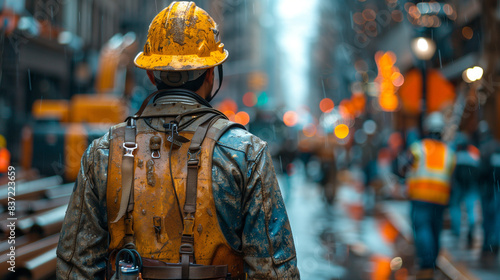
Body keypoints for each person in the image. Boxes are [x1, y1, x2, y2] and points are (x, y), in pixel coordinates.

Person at [56, 2, 299, 279]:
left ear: (150, 74)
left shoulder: (102, 153)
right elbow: (275, 272)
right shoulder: (246, 154)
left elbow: (75, 268)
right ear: (211, 73)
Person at [400, 112, 456, 280]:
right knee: (435, 230)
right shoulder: (449, 153)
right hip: (440, 199)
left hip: (420, 197)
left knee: (423, 229)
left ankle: (426, 264)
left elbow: (405, 167)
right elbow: (451, 176)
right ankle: (432, 261)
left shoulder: (419, 148)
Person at [449, 132, 480, 248]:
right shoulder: (473, 155)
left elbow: (451, 174)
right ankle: (472, 226)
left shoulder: (454, 157)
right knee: (471, 209)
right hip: (471, 187)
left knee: (455, 207)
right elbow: (478, 172)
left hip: (458, 186)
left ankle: (456, 230)